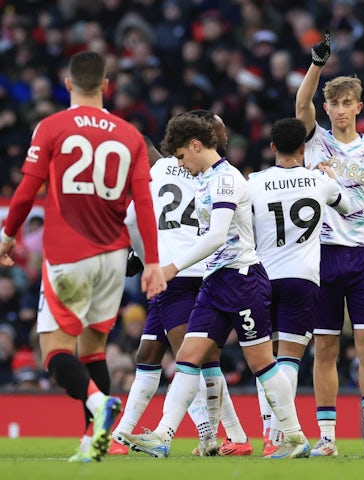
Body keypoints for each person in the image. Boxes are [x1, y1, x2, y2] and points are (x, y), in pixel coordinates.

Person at [0, 50, 166, 463]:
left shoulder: (52, 126)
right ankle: (92, 441)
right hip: (113, 258)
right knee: (93, 349)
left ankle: (97, 405)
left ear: (69, 84)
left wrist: (7, 236)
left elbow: (27, 191)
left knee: (54, 352)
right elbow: (143, 204)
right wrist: (152, 262)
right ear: (106, 85)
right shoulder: (129, 135)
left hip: (67, 253)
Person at [117, 113, 310, 459]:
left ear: (195, 145)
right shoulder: (206, 179)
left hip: (242, 281)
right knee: (188, 358)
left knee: (262, 363)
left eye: (179, 156)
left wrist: (171, 267)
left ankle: (295, 437)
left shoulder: (226, 180)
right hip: (214, 281)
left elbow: (218, 235)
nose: (179, 164)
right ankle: (163, 436)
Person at [113, 113, 252, 457]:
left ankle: (222, 435)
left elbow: (131, 219)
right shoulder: (210, 173)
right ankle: (120, 437)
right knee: (150, 353)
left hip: (175, 273)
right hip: (200, 268)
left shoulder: (157, 172)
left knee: (194, 360)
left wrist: (145, 258)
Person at [296, 30, 364, 457]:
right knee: (325, 346)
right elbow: (300, 104)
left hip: (361, 255)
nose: (339, 110)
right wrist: (317, 65)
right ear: (327, 108)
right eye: (333, 103)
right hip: (320, 254)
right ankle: (327, 438)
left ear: (358, 107)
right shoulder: (314, 139)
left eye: (346, 103)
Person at [247, 117, 352, 456]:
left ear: (272, 147)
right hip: (302, 278)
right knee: (288, 360)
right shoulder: (319, 180)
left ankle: (268, 434)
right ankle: (278, 438)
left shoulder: (254, 182)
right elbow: (348, 207)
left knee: (265, 362)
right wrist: (330, 177)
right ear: (304, 148)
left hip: (261, 277)